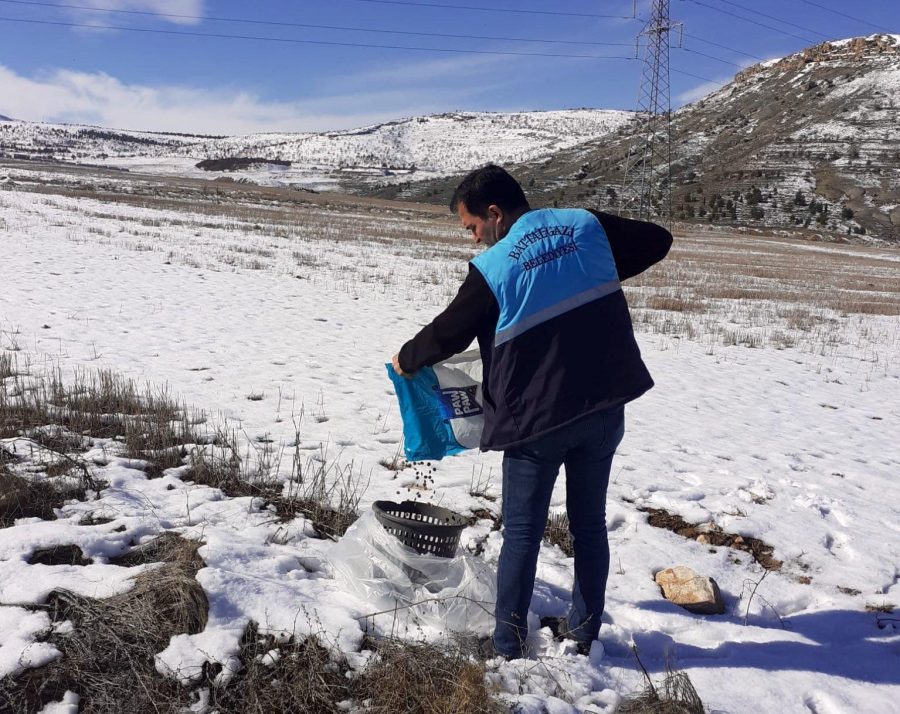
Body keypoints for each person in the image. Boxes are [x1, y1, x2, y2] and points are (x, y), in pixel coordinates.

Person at [392, 164, 672, 659]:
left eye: (473, 227)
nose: (475, 239)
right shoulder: (586, 228)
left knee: (522, 532)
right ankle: (584, 634)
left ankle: (508, 644)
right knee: (589, 524)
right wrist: (586, 266)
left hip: (537, 424)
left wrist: (405, 359)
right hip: (604, 410)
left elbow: (447, 332)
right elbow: (657, 239)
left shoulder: (495, 268)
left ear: (495, 214)